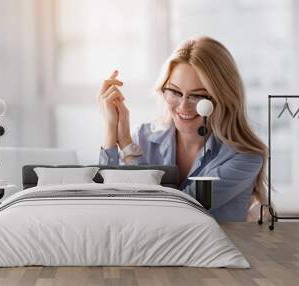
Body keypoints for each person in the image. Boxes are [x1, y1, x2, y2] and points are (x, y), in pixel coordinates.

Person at [97, 36, 267, 222]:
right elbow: (108, 206)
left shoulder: (244, 158)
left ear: (223, 97)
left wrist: (127, 148)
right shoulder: (143, 137)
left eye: (198, 96)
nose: (183, 107)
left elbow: (176, 213)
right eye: (175, 92)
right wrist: (111, 128)